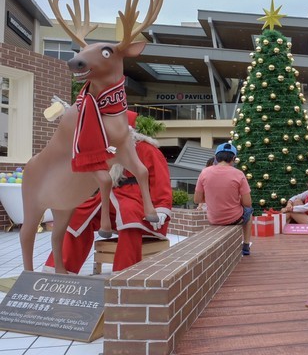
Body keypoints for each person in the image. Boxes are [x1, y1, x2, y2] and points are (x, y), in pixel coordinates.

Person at [45, 114, 172, 273]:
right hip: (111, 200)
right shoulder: (108, 151)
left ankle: (123, 273)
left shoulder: (148, 150)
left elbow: (161, 182)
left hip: (139, 204)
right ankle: (60, 269)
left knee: (128, 212)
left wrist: (161, 209)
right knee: (79, 213)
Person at [194, 143, 253, 255]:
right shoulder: (239, 174)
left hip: (213, 219)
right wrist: (237, 199)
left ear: (216, 157)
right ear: (234, 158)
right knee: (249, 214)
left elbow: (197, 200)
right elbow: (247, 203)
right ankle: (245, 246)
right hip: (234, 218)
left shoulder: (204, 172)